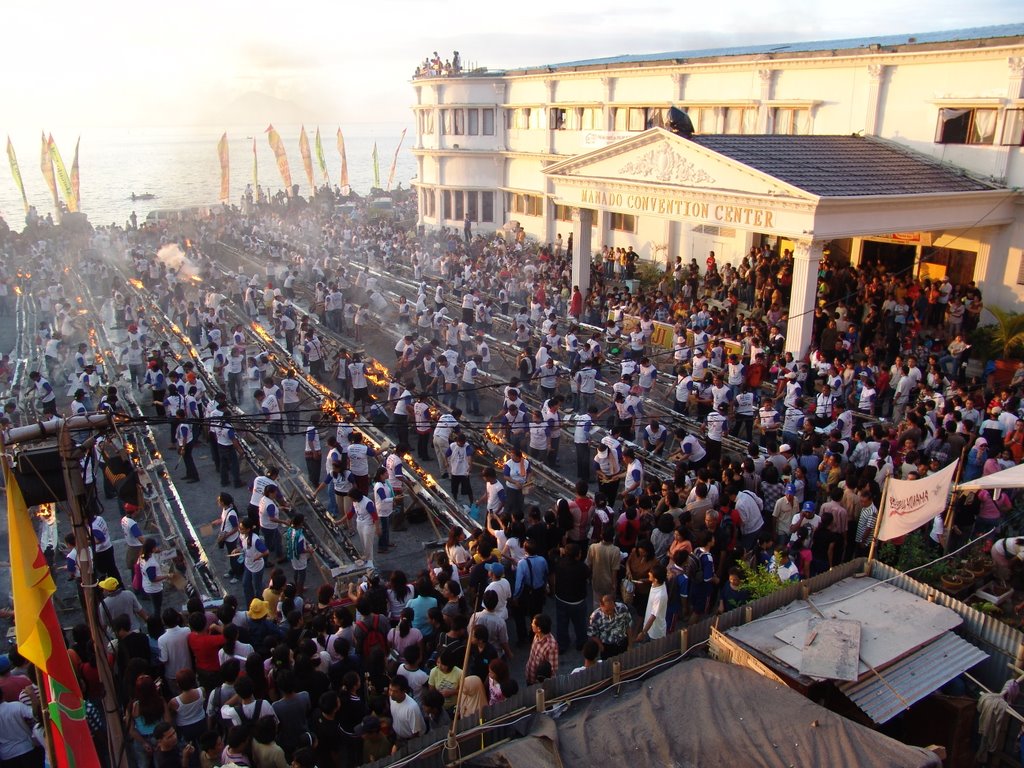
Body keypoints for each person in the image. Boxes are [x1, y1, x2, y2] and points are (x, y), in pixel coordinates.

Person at [587, 594, 632, 659]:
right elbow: (592, 634)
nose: (610, 612)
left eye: (612, 609)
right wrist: (600, 646)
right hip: (607, 647)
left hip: (622, 642)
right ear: (601, 606)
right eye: (607, 611)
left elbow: (628, 626)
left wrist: (630, 645)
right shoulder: (595, 617)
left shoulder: (622, 608)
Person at [525, 613, 558, 685]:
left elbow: (552, 669)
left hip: (539, 683)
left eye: (533, 623)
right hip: (530, 675)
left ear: (539, 629)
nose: (531, 624)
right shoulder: (537, 635)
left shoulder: (550, 646)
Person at [637, 564, 668, 641]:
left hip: (655, 631)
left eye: (650, 574)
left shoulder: (660, 596)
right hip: (649, 628)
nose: (648, 574)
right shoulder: (657, 583)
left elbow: (653, 616)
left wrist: (643, 632)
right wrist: (644, 580)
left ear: (656, 579)